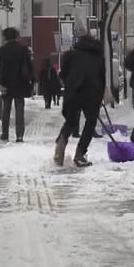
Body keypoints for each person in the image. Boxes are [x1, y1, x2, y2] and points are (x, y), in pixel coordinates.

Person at [53, 28, 112, 167]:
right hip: (92, 92)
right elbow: (102, 77)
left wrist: (70, 84)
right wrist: (101, 94)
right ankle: (80, 154)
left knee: (71, 121)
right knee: (90, 122)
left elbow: (62, 75)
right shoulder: (98, 57)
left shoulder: (70, 55)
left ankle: (61, 142)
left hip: (74, 91)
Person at [0, 27, 34, 143]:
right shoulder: (23, 49)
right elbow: (29, 65)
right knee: (19, 110)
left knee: (6, 110)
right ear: (16, 36)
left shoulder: (2, 50)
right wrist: (31, 79)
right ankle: (19, 135)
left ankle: (5, 133)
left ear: (6, 37)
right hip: (20, 83)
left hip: (7, 83)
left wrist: (0, 82)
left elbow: (1, 68)